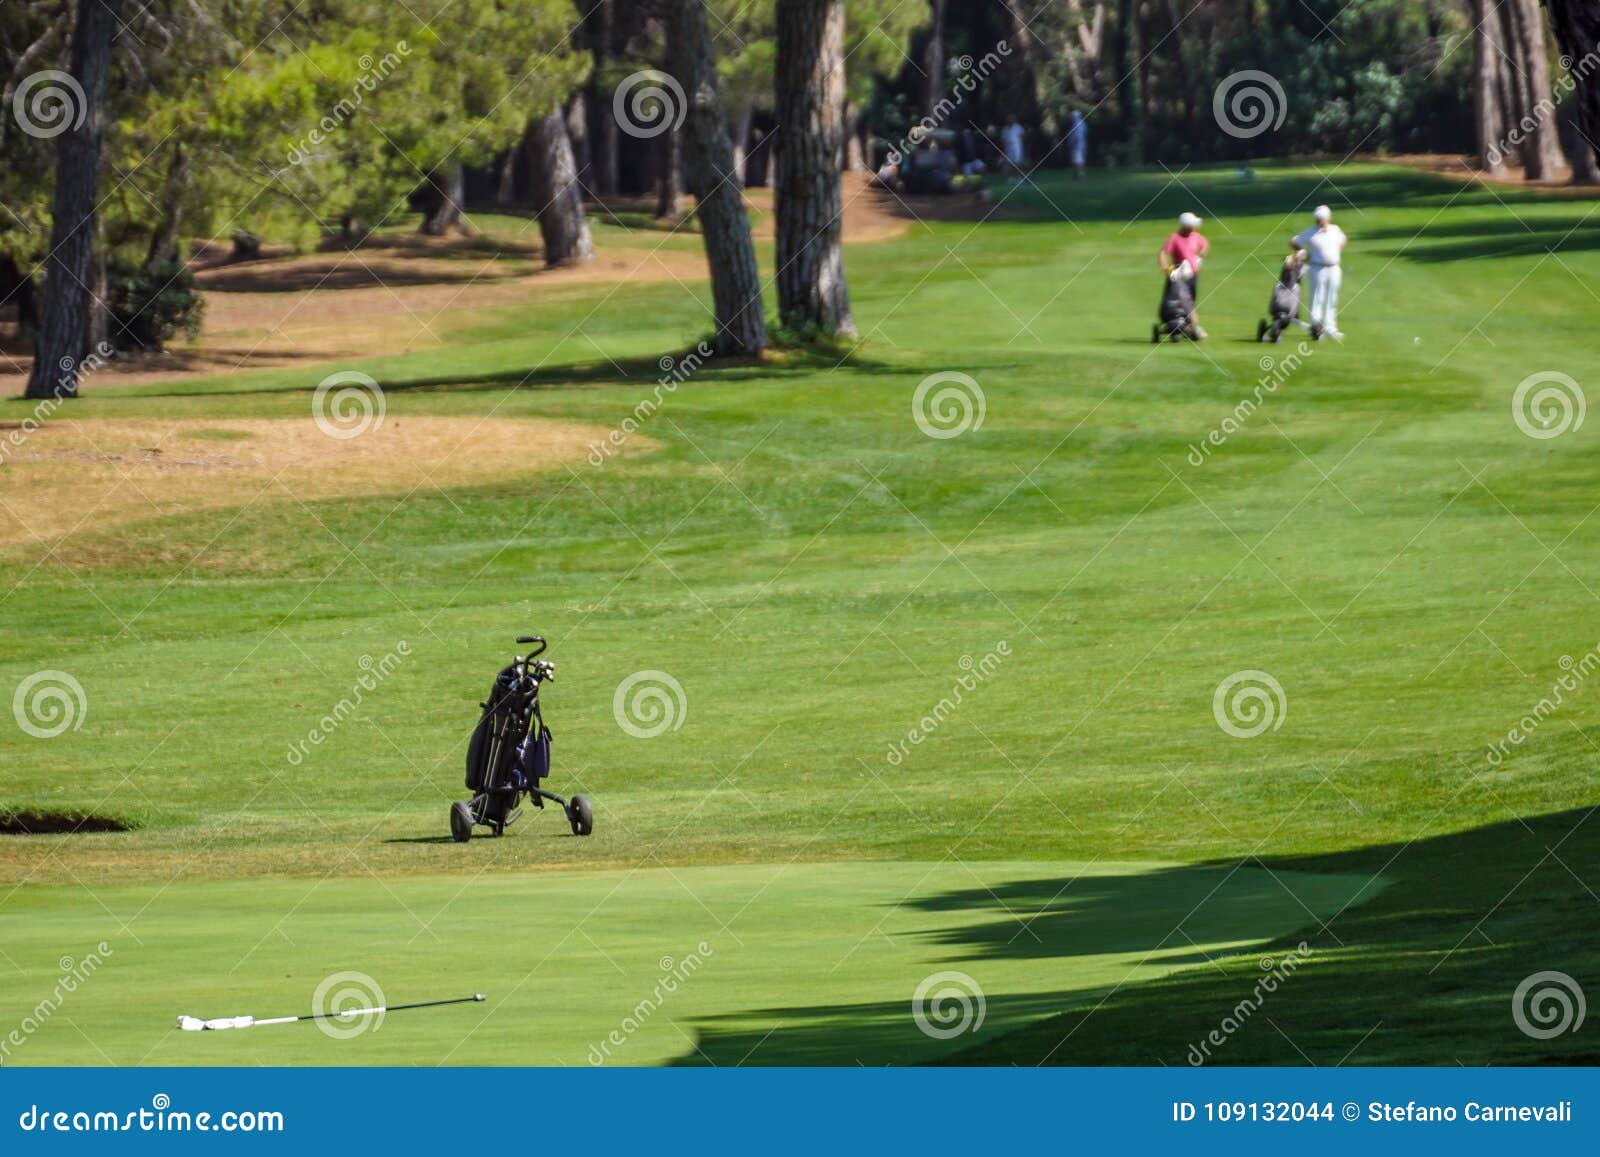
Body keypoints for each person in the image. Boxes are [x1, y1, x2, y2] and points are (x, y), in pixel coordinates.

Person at [1290, 204, 1346, 339]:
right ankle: (1316, 329)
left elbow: (1343, 240)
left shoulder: (1335, 230)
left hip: (1334, 268)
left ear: (1328, 218)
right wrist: (1305, 255)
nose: (1320, 221)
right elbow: (1294, 242)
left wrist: (1336, 253)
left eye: (1322, 218)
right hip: (1317, 268)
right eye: (1318, 219)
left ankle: (1330, 328)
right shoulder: (1311, 232)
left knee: (1331, 298)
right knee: (1317, 298)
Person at [1159, 211, 1209, 339]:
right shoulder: (1175, 238)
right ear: (1185, 226)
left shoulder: (1195, 236)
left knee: (1191, 300)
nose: (1194, 228)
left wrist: (1200, 256)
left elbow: (1205, 244)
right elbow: (1164, 253)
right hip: (1180, 275)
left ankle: (1186, 325)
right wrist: (1166, 269)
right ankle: (1196, 327)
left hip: (1193, 276)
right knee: (1187, 301)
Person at [1001, 116, 1027, 183]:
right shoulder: (1005, 129)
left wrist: (1020, 143)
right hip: (1008, 147)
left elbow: (1023, 135)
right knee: (1010, 163)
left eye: (1011, 120)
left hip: (1017, 146)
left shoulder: (1018, 127)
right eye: (1008, 120)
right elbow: (1003, 140)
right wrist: (1004, 149)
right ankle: (1013, 177)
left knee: (1018, 162)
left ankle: (1019, 177)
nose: (1010, 121)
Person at [1066, 110, 1087, 179]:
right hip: (1079, 144)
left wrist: (1072, 144)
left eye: (1072, 116)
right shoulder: (1080, 123)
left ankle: (1080, 174)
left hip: (1077, 145)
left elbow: (1077, 136)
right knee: (1077, 160)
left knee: (1079, 160)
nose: (1071, 118)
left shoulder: (1078, 124)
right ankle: (1078, 174)